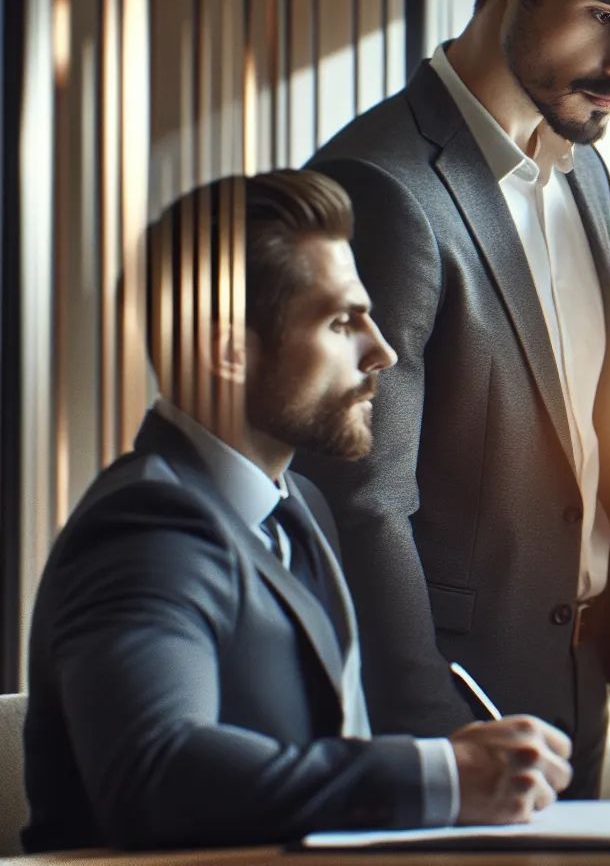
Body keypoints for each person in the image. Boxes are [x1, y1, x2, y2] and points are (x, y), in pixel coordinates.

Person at [295, 0, 610, 797]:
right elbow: (361, 505)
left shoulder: (588, 175)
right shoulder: (382, 188)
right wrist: (438, 744)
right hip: (453, 711)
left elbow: (602, 430)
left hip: (569, 692)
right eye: (607, 16)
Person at [23, 171, 574, 852]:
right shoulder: (147, 529)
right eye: (343, 321)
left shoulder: (300, 504)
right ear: (227, 351)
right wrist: (444, 773)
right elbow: (153, 775)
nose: (383, 352)